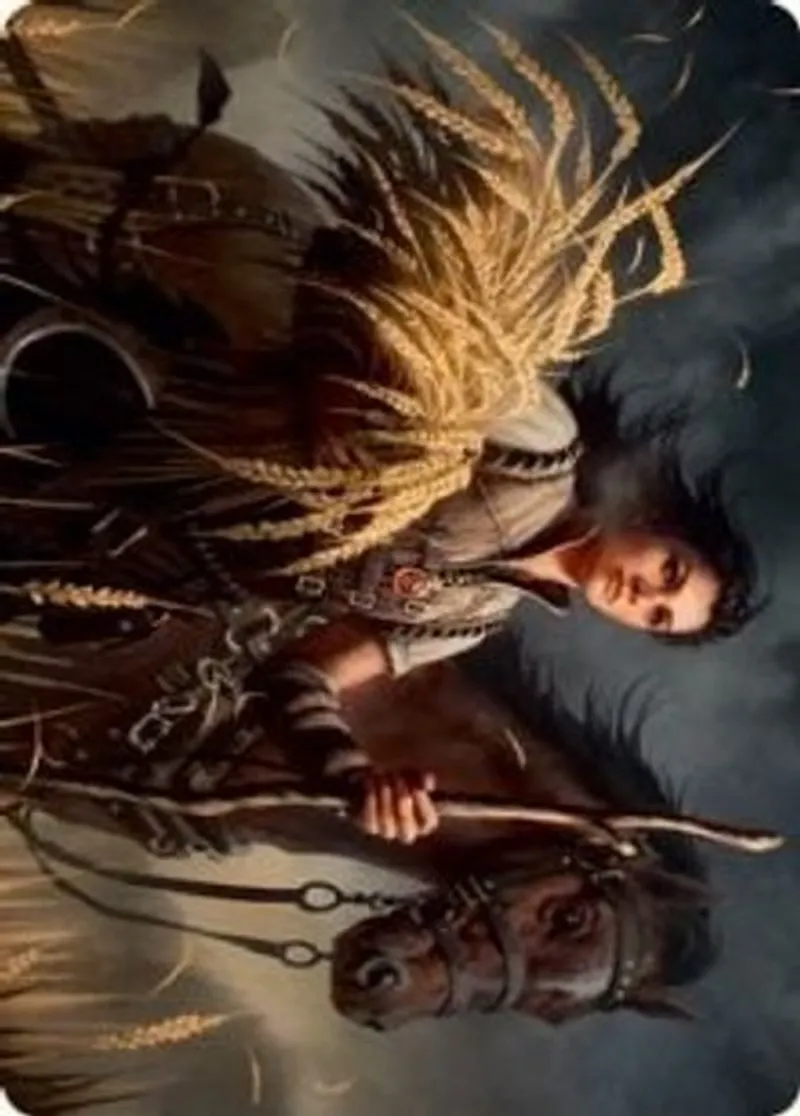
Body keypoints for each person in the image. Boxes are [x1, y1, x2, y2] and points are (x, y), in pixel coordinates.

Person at [0, 18, 760, 854]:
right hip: (209, 387)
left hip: (167, 541)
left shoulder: (467, 620)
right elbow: (390, 287)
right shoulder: (540, 447)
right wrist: (335, 407)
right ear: (653, 523)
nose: (643, 594)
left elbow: (298, 676)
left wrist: (351, 773)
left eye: (658, 616)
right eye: (668, 572)